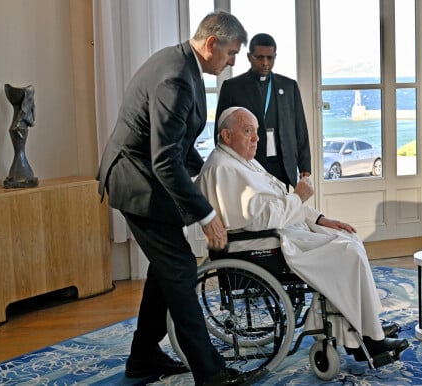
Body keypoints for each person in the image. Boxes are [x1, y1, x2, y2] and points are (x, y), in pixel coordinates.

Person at [97, 12, 266, 386]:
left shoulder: (182, 63)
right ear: (211, 44)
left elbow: (177, 147)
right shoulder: (176, 77)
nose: (234, 61)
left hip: (146, 178)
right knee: (181, 270)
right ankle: (210, 372)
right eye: (232, 53)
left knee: (167, 268)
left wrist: (220, 167)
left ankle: (142, 357)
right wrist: (206, 215)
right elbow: (164, 159)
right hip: (135, 182)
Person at [196, 107, 409, 366]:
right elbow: (261, 219)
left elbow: (277, 199)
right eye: (248, 131)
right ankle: (370, 339)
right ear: (226, 136)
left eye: (257, 132)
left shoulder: (242, 160)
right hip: (264, 243)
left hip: (280, 231)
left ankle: (367, 324)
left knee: (348, 237)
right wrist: (298, 197)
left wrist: (319, 219)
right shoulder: (222, 169)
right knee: (347, 253)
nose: (256, 139)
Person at [214, 33, 311, 189]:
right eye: (259, 57)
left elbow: (300, 128)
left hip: (283, 165)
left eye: (270, 58)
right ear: (249, 56)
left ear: (275, 57)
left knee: (284, 209)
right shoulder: (232, 87)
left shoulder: (288, 86)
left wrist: (305, 168)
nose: (265, 63)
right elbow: (221, 132)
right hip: (249, 164)